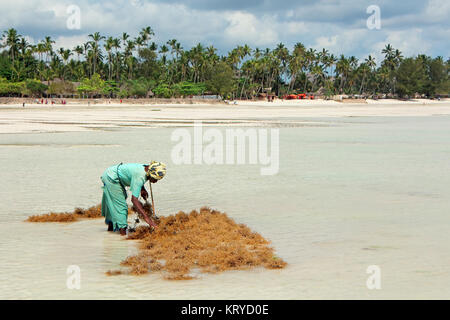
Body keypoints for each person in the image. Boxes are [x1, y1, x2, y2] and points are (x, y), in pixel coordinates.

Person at [100, 161, 167, 235]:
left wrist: (142, 189)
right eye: (155, 179)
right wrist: (147, 218)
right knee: (121, 208)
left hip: (111, 173)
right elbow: (134, 200)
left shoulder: (146, 169)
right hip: (111, 178)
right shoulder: (140, 176)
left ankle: (111, 231)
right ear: (150, 174)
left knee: (116, 203)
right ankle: (122, 237)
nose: (155, 181)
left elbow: (136, 176)